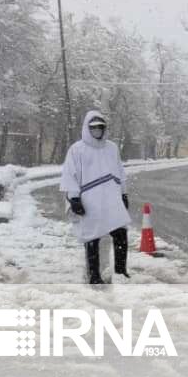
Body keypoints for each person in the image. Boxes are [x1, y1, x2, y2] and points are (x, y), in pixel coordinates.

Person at [60, 110, 131, 284]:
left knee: (120, 233)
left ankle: (120, 271)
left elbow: (120, 172)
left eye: (100, 127)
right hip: (90, 201)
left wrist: (123, 193)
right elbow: (70, 174)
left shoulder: (112, 148)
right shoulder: (77, 150)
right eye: (93, 128)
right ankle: (94, 275)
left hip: (111, 199)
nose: (97, 130)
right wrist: (74, 198)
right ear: (87, 128)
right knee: (92, 237)